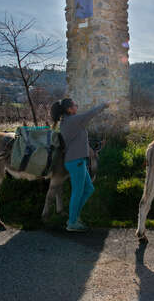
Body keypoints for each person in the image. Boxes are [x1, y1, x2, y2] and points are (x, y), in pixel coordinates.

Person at [50, 98, 110, 232]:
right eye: (75, 105)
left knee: (89, 189)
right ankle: (72, 222)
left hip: (78, 161)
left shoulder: (70, 121)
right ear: (69, 109)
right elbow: (90, 114)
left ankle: (74, 216)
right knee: (77, 192)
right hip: (75, 161)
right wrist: (104, 104)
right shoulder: (72, 120)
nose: (77, 106)